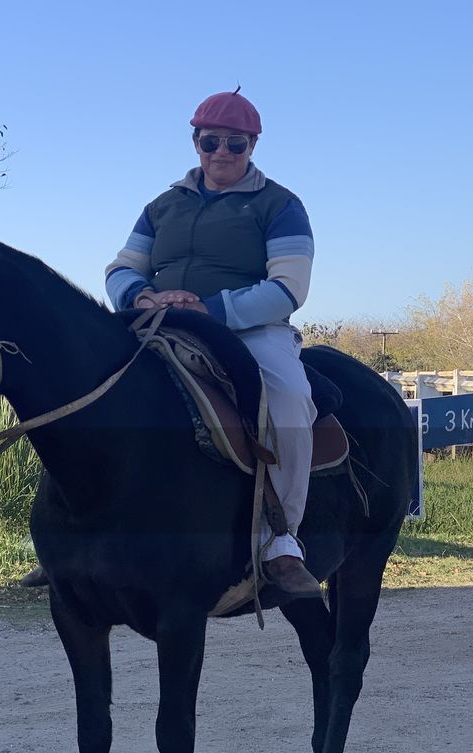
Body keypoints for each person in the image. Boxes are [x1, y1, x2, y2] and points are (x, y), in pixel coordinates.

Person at [101, 88, 321, 600]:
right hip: (157, 323)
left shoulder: (281, 206)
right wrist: (144, 296)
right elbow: (121, 268)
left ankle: (281, 542)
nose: (222, 152)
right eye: (211, 141)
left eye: (235, 144)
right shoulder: (161, 206)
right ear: (195, 142)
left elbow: (289, 288)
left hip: (249, 331)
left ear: (253, 146)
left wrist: (209, 309)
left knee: (289, 400)